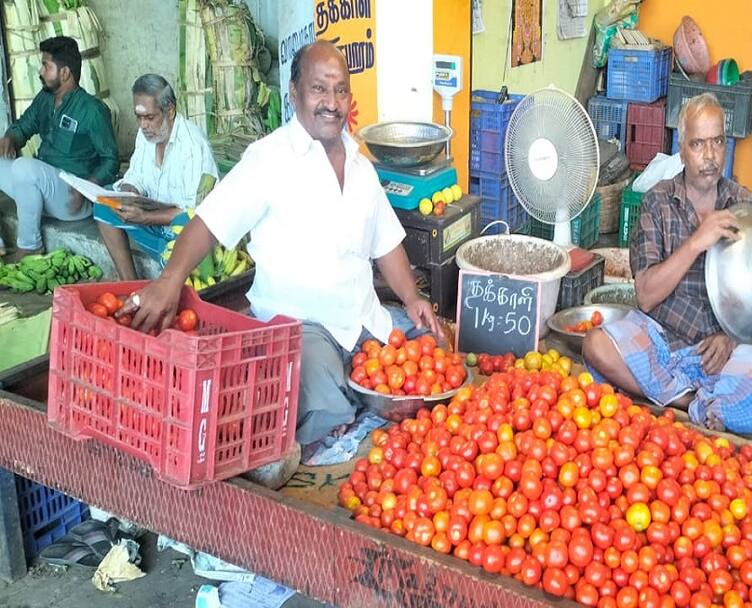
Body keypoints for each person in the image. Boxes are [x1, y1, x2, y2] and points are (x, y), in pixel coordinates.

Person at [117, 41, 442, 448]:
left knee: (433, 350)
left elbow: (387, 243)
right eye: (319, 89)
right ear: (294, 93)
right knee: (321, 401)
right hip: (300, 325)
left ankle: (358, 396)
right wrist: (169, 280)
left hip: (362, 319)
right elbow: (209, 223)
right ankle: (338, 409)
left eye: (340, 90)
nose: (331, 102)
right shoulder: (268, 160)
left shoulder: (361, 165)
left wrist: (412, 298)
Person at [581, 93, 752, 435]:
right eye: (698, 144)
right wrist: (695, 242)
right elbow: (645, 296)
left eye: (717, 142)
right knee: (596, 346)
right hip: (661, 340)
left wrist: (731, 340)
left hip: (719, 352)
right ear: (681, 148)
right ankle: (689, 400)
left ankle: (666, 394)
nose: (709, 156)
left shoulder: (745, 206)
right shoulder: (656, 202)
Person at [0, 36, 119, 260]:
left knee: (24, 168)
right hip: (40, 189)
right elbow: (24, 126)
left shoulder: (92, 110)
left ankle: (30, 245)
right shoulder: (45, 98)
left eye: (46, 66)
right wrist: (11, 138)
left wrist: (88, 187)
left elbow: (111, 159)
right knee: (20, 168)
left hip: (71, 199)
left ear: (64, 73)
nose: (40, 71)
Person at [95, 74, 218, 280]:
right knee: (103, 205)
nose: (143, 125)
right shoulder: (145, 136)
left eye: (149, 117)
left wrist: (145, 217)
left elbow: (194, 213)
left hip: (182, 232)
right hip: (151, 222)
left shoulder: (193, 146)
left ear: (169, 111)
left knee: (183, 228)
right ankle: (129, 284)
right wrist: (129, 193)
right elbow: (135, 176)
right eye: (139, 117)